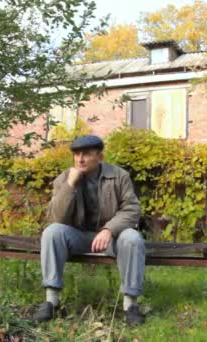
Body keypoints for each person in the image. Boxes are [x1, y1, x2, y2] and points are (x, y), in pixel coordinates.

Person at [32, 135, 146, 326]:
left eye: (86, 154)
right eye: (76, 154)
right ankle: (51, 301)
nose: (80, 159)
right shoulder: (64, 178)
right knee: (52, 232)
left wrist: (109, 229)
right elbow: (56, 218)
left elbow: (132, 209)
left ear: (100, 157)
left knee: (133, 238)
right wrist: (70, 186)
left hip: (111, 238)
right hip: (78, 236)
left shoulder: (119, 176)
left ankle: (130, 305)